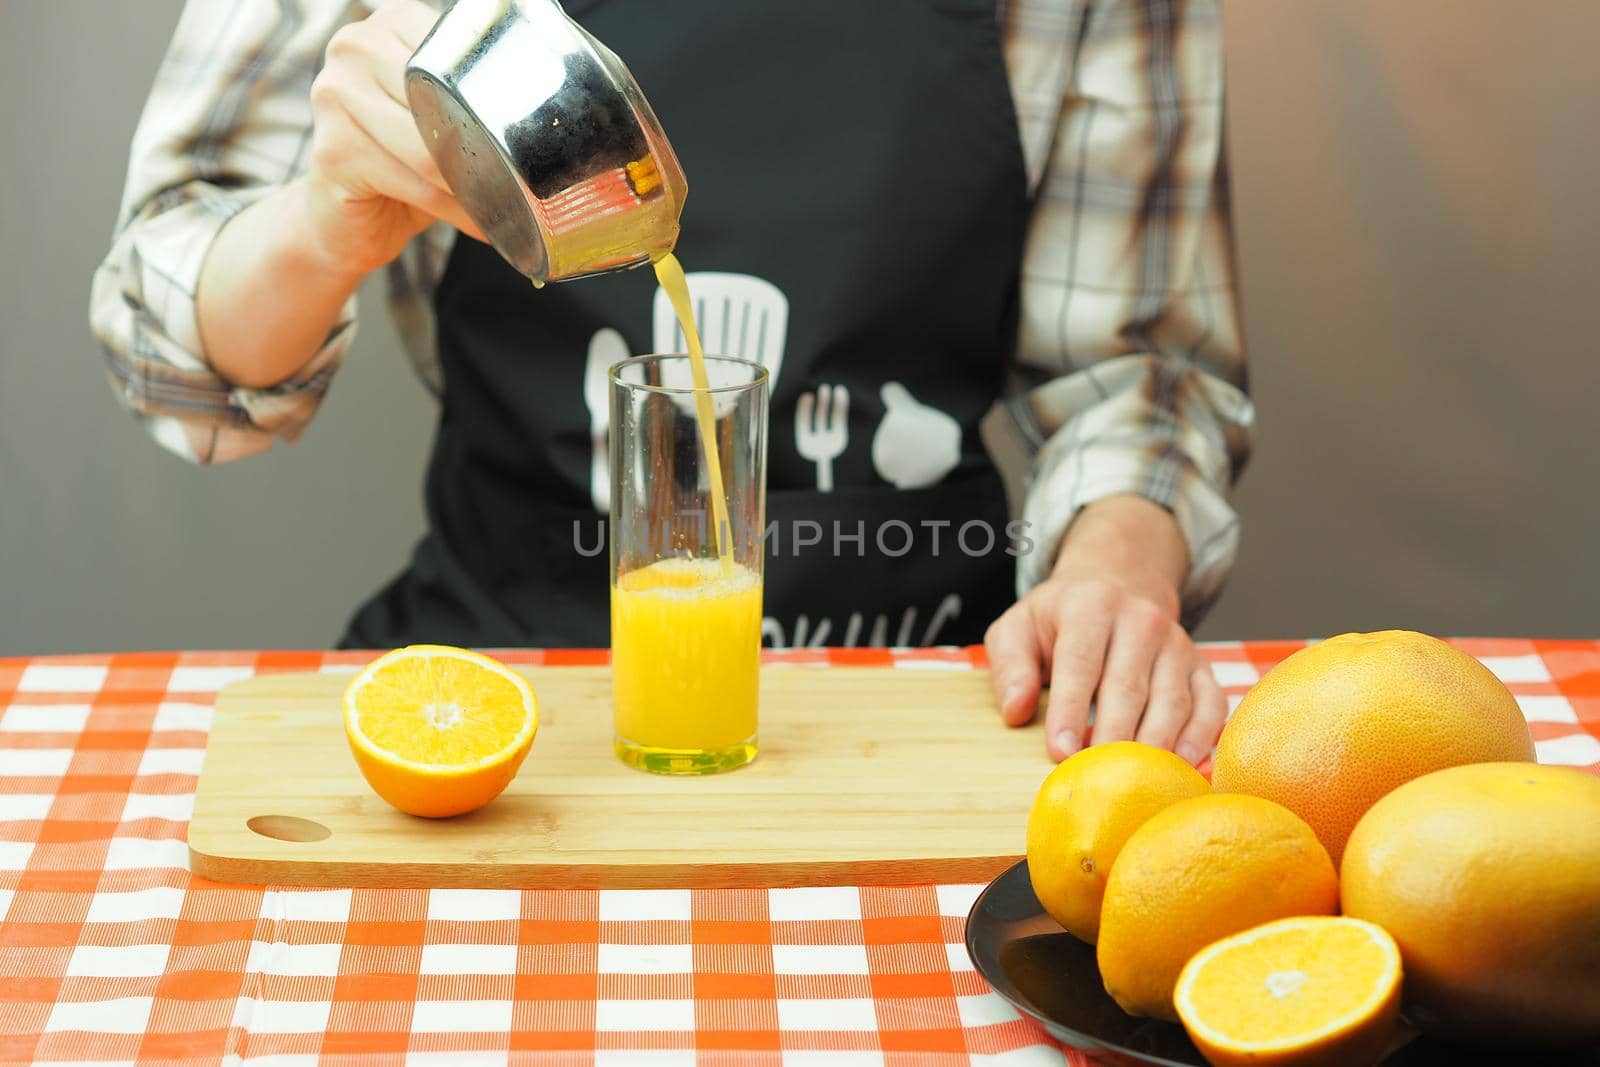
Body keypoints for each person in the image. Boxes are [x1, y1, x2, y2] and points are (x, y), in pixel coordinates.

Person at [90, 0, 1254, 765]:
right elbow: (169, 349)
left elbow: (1134, 370)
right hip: (503, 679)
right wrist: (320, 225)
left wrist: (1117, 569)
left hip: (931, 698)